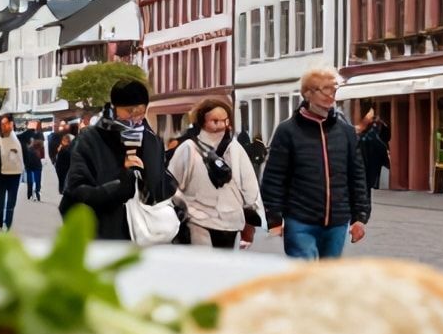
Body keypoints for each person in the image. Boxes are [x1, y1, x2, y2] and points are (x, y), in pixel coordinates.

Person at [260, 68, 371, 260]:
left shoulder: (345, 131)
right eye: (325, 90)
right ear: (308, 93)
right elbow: (274, 177)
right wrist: (274, 218)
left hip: (337, 220)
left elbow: (357, 175)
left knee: (326, 277)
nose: (331, 96)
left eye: (334, 90)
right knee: (305, 271)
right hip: (300, 219)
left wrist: (360, 217)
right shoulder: (288, 130)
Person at [63, 81, 176, 242]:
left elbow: (158, 186)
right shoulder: (90, 139)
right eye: (129, 111)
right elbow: (76, 190)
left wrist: (147, 181)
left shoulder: (151, 140)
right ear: (115, 108)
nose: (136, 118)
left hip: (144, 233)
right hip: (102, 232)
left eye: (141, 112)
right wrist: (121, 179)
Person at [169, 98, 263, 249]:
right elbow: (171, 183)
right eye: (215, 120)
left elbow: (249, 186)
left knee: (222, 267)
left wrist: (250, 219)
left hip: (230, 222)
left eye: (224, 120)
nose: (220, 125)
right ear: (202, 121)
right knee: (204, 264)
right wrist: (184, 207)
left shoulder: (235, 148)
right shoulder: (188, 148)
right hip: (197, 219)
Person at [0, 113, 26, 231]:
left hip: (15, 174)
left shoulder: (18, 139)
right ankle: (0, 222)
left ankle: (8, 223)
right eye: (2, 124)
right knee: (0, 201)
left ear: (11, 124)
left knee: (11, 201)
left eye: (6, 123)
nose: (4, 126)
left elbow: (25, 155)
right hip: (1, 174)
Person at [358, 109, 391, 190]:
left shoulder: (365, 135)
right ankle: (375, 184)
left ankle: (374, 184)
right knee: (374, 172)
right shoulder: (372, 133)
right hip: (373, 156)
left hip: (371, 156)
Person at [20, 120, 46, 200]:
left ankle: (31, 193)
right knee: (35, 180)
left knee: (31, 180)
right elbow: (42, 155)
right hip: (34, 164)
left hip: (31, 163)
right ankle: (35, 192)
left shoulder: (28, 139)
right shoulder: (38, 139)